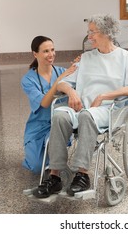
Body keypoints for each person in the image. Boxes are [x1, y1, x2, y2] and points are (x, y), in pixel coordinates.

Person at [32, 14, 128, 198]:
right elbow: (62, 83)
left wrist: (104, 95)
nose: (88, 36)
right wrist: (72, 92)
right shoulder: (85, 58)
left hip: (110, 110)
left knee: (86, 116)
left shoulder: (125, 58)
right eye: (88, 32)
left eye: (92, 32)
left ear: (107, 33)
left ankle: (82, 175)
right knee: (59, 114)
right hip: (82, 108)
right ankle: (55, 176)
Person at [21, 36, 78, 174]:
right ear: (35, 54)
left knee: (53, 158)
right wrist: (59, 81)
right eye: (46, 51)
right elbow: (45, 103)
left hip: (59, 122)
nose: (51, 54)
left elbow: (81, 80)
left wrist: (80, 63)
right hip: (38, 126)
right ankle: (42, 155)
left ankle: (54, 156)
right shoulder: (28, 79)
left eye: (52, 50)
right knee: (36, 167)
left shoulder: (62, 71)